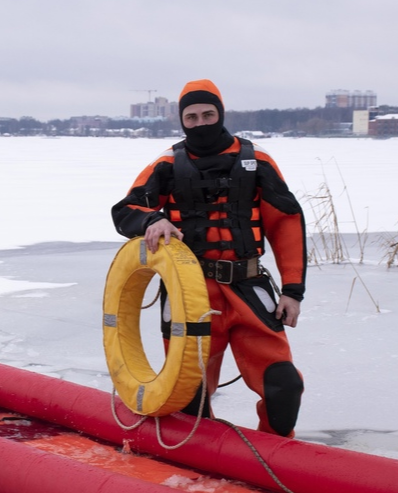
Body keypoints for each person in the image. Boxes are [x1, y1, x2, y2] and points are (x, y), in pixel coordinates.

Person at [111, 79, 306, 437]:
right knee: (190, 395)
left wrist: (293, 290)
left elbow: (287, 223)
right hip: (191, 294)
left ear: (220, 113)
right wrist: (153, 219)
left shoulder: (257, 160)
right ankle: (198, 464)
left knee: (284, 386)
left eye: (207, 114)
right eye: (192, 116)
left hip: (249, 287)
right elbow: (126, 210)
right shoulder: (167, 164)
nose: (200, 122)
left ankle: (275, 458)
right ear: (182, 120)